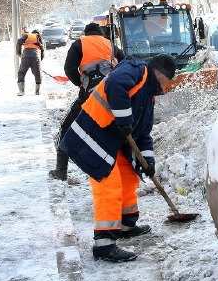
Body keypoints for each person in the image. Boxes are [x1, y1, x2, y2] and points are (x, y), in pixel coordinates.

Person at [59, 54, 177, 262]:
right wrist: (124, 119)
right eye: (168, 82)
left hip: (112, 142)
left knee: (129, 176)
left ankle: (126, 224)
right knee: (109, 185)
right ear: (160, 74)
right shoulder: (137, 70)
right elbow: (115, 84)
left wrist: (148, 161)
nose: (168, 88)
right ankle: (104, 244)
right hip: (92, 134)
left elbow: (143, 134)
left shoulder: (148, 96)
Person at [50, 23, 123, 182]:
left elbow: (69, 68)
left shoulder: (79, 43)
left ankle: (61, 171)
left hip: (89, 97)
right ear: (100, 33)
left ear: (86, 32)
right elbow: (123, 64)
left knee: (67, 128)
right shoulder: (110, 44)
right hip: (111, 95)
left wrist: (81, 83)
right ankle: (117, 170)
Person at [16, 28, 45, 96]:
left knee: (21, 72)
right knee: (37, 73)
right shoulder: (38, 37)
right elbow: (42, 50)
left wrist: (19, 53)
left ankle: (21, 91)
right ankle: (37, 91)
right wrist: (40, 59)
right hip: (35, 56)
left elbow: (19, 41)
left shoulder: (27, 35)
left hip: (25, 56)